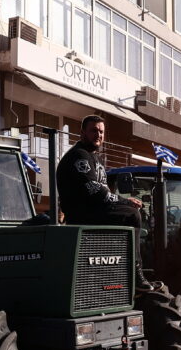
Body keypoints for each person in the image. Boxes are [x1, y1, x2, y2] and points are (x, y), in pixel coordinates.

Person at [55, 115, 152, 288]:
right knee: (132, 215)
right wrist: (125, 202)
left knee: (130, 211)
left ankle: (119, 269)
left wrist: (124, 201)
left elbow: (105, 191)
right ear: (82, 132)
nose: (98, 135)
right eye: (93, 130)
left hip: (95, 211)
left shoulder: (96, 158)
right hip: (82, 214)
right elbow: (96, 192)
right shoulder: (79, 156)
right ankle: (135, 274)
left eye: (101, 132)